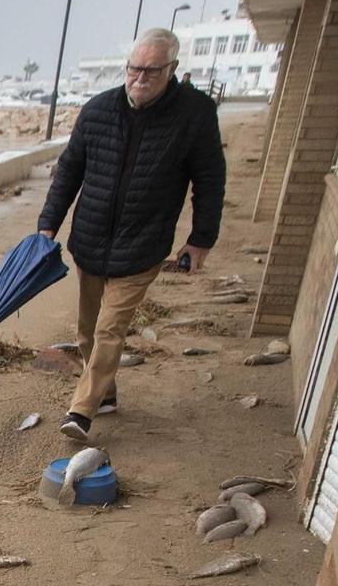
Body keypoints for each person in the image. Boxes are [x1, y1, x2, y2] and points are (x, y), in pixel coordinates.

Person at [37, 27, 225, 442]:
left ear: (172, 69)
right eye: (133, 69)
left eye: (151, 70)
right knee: (87, 331)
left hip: (143, 244)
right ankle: (105, 394)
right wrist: (48, 224)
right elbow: (69, 171)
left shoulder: (195, 114)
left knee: (109, 329)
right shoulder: (99, 109)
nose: (139, 78)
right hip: (90, 240)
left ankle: (81, 410)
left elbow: (210, 179)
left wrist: (200, 240)